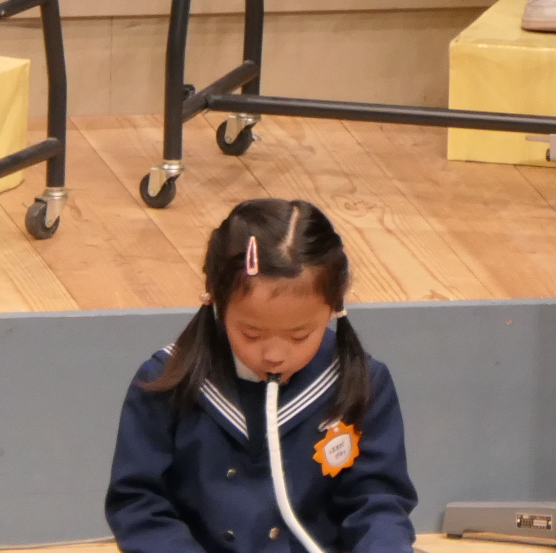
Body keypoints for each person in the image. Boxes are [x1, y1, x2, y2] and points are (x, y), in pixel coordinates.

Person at [107, 200, 415, 553]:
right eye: (251, 334)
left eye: (300, 336)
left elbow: (378, 500)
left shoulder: (363, 382)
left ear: (334, 308)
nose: (274, 355)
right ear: (216, 300)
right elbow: (138, 503)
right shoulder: (168, 379)